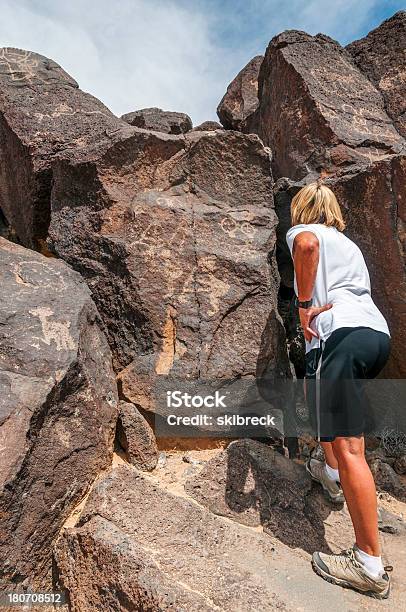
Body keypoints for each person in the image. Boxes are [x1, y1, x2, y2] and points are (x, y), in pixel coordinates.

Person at [286, 179, 392, 599]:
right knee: (333, 420)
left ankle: (368, 563)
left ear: (302, 208)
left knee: (350, 446)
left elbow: (307, 246)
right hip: (372, 334)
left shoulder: (304, 231)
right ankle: (331, 477)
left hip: (343, 335)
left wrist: (303, 305)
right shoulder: (349, 246)